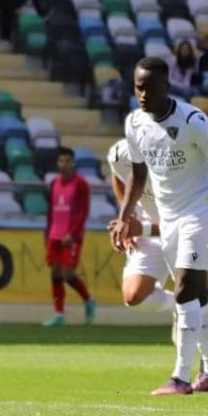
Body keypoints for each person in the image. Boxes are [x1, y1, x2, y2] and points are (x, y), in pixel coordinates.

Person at [110, 56, 208, 395]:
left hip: (201, 209)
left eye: (149, 88)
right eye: (138, 87)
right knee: (198, 295)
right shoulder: (135, 124)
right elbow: (138, 177)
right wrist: (125, 216)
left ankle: (181, 378)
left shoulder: (193, 120)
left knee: (183, 287)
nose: (142, 95)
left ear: (166, 86)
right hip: (168, 217)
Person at [106, 139, 175, 314]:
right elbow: (117, 174)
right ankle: (178, 304)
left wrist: (141, 229)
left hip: (184, 237)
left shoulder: (175, 167)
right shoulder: (120, 153)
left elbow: (184, 223)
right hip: (148, 233)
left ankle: (191, 312)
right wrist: (127, 218)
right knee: (133, 297)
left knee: (197, 295)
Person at [43, 147, 96, 326]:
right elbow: (50, 212)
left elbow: (83, 211)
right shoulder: (54, 183)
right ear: (57, 163)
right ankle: (58, 314)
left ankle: (88, 300)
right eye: (61, 161)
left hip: (71, 237)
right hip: (55, 235)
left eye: (67, 161)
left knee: (67, 274)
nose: (64, 164)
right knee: (55, 273)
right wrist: (47, 234)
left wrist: (73, 234)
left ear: (73, 163)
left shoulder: (81, 183)